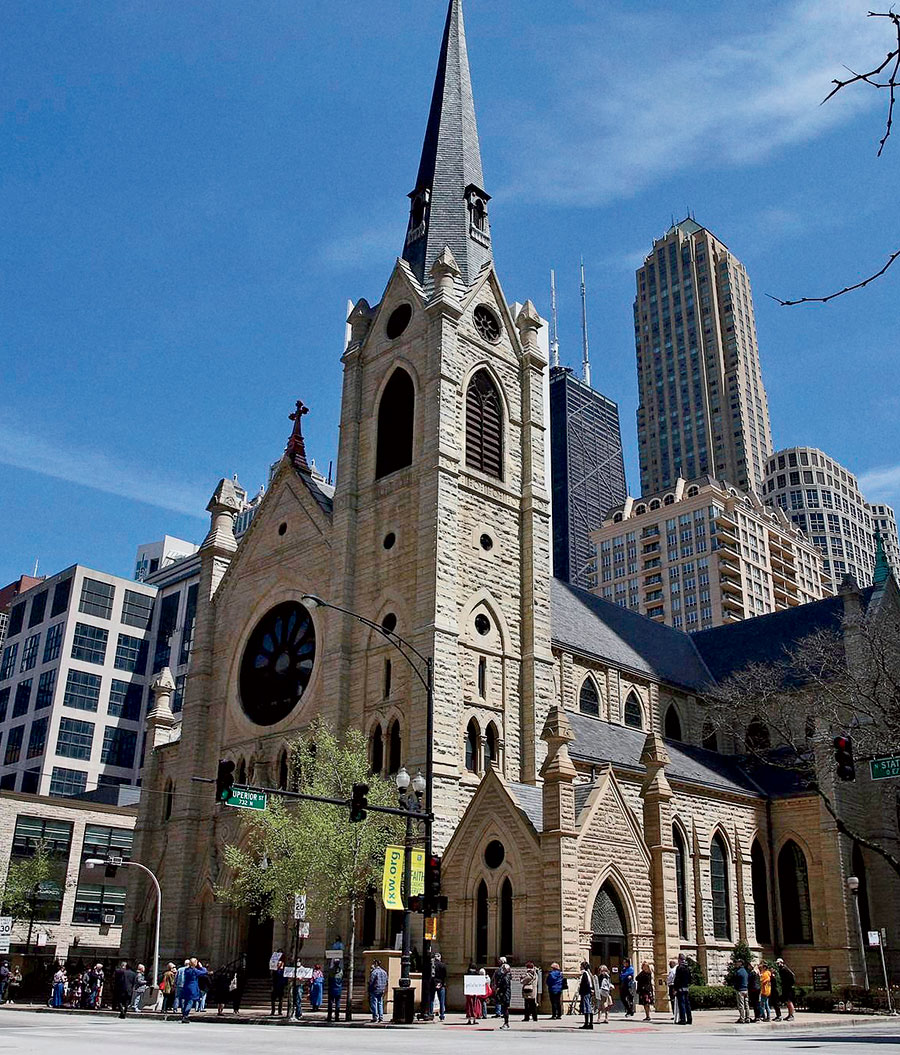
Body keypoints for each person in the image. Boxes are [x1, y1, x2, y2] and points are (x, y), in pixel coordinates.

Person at [180, 958, 207, 1023]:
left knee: (186, 1001)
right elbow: (204, 972)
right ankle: (185, 1016)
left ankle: (184, 1015)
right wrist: (201, 967)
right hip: (192, 987)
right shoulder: (194, 970)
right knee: (190, 1002)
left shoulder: (187, 970)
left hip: (186, 986)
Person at [673, 953, 693, 1025]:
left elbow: (677, 979)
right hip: (686, 987)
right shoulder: (687, 968)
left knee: (681, 1004)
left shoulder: (680, 968)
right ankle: (689, 1019)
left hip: (680, 988)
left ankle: (683, 1019)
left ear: (679, 959)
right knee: (687, 1004)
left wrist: (675, 988)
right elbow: (690, 978)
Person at [368, 959, 388, 1023]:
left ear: (376, 964)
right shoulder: (384, 972)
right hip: (382, 990)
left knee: (374, 1003)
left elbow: (371, 982)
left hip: (375, 989)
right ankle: (381, 1017)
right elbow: (386, 981)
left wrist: (369, 988)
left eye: (373, 964)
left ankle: (375, 1017)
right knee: (380, 1003)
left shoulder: (374, 972)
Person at [494, 961, 511, 1030]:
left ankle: (506, 1023)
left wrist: (499, 989)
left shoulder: (506, 976)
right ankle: (506, 1023)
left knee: (505, 1009)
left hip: (505, 995)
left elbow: (505, 986)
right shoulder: (506, 976)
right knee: (504, 1009)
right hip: (505, 994)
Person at [326, 958, 343, 1022]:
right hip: (338, 989)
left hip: (332, 989)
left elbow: (329, 980)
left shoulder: (331, 971)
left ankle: (329, 1016)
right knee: (337, 1004)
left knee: (330, 1004)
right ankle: (337, 1017)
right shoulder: (341, 971)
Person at [578, 960, 593, 1029]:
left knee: (586, 1007)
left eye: (581, 966)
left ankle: (587, 1023)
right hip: (588, 991)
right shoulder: (588, 973)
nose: (580, 967)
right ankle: (590, 1023)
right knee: (588, 1006)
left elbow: (586, 983)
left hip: (586, 992)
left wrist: (581, 991)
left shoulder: (584, 974)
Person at [734, 959, 750, 1024]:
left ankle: (742, 1018)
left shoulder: (738, 972)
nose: (736, 964)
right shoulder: (745, 971)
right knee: (746, 1005)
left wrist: (736, 988)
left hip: (740, 990)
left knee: (741, 1005)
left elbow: (736, 981)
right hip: (746, 989)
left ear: (740, 963)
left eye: (737, 962)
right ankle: (747, 1018)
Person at [433, 952, 447, 1021]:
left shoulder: (432, 965)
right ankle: (442, 1015)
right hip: (441, 984)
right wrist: (442, 983)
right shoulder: (443, 965)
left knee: (431, 999)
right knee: (441, 1000)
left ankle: (430, 1013)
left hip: (433, 983)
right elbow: (444, 975)